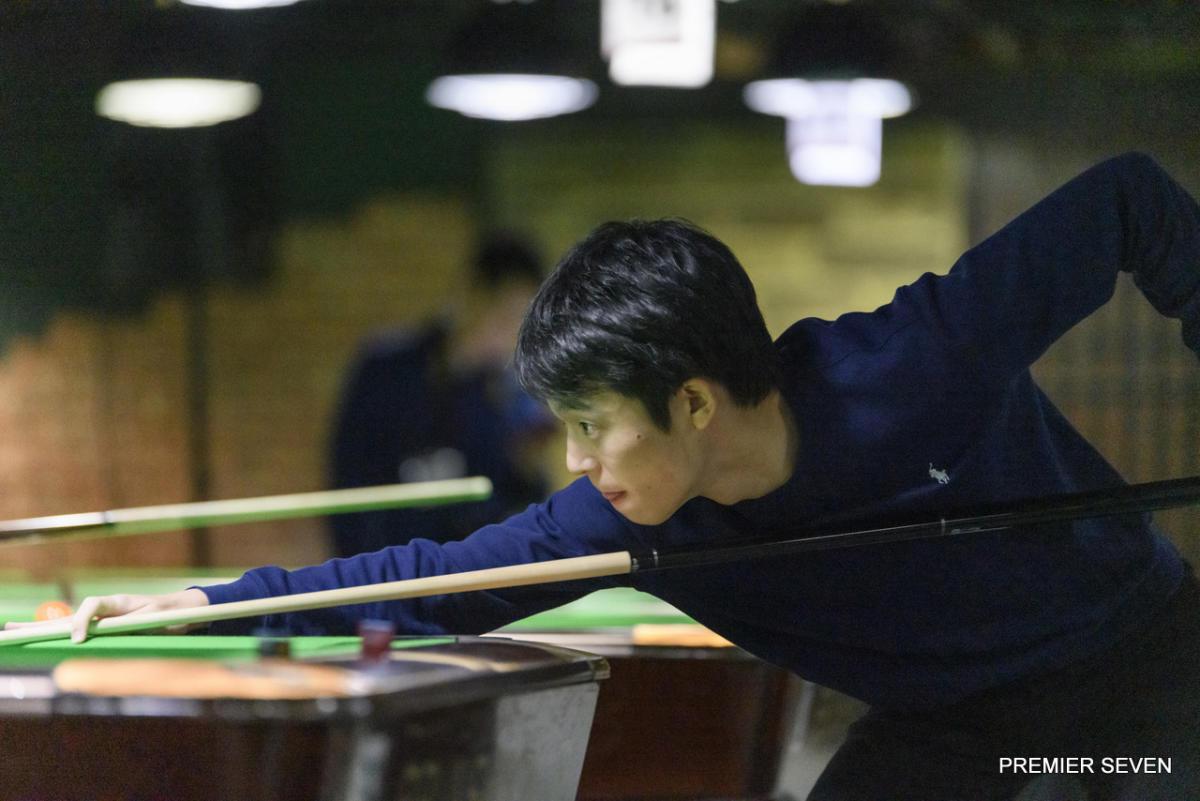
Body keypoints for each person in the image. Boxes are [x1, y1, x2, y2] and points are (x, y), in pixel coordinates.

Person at [49, 153, 1200, 800]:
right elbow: (429, 581)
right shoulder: (622, 519)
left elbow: (1128, 202)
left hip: (1139, 662)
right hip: (949, 723)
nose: (575, 461)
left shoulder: (915, 362)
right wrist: (207, 605)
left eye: (592, 425)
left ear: (692, 403)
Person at [327, 231, 555, 556]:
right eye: (505, 315)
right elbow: (349, 480)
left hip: (464, 571)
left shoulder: (502, 395)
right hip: (388, 565)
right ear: (473, 295)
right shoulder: (388, 369)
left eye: (522, 324)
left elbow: (515, 503)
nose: (509, 336)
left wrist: (526, 466)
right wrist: (363, 571)